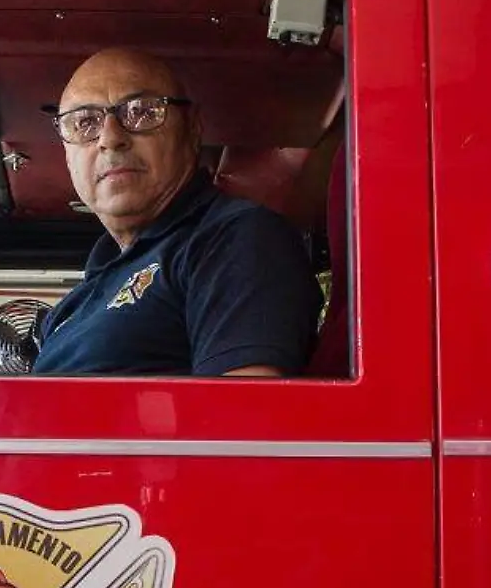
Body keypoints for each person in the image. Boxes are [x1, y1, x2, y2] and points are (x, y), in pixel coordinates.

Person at [30, 48, 324, 376]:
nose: (111, 139)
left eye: (140, 112)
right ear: (67, 156)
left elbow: (245, 416)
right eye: (85, 122)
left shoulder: (237, 239)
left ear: (192, 129)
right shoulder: (75, 302)